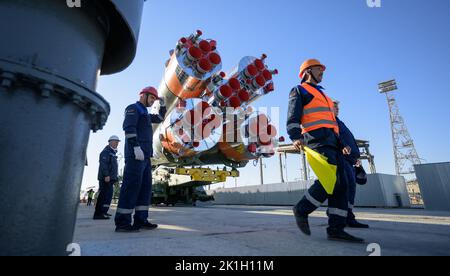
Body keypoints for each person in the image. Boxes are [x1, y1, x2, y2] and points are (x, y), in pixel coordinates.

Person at [287, 58, 364, 243]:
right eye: (318, 69)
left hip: (332, 142)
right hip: (316, 141)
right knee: (331, 180)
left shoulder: (325, 96)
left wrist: (341, 144)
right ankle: (301, 209)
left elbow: (331, 123)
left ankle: (336, 228)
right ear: (307, 71)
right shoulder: (299, 90)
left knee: (342, 183)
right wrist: (295, 136)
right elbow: (293, 116)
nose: (322, 72)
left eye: (322, 69)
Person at [114, 86, 167, 232]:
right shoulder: (133, 108)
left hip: (145, 157)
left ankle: (141, 219)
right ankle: (122, 223)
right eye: (151, 98)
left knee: (145, 189)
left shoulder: (145, 113)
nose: (152, 102)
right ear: (143, 95)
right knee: (131, 188)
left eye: (153, 100)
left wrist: (162, 105)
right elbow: (129, 128)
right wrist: (135, 147)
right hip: (135, 156)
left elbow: (160, 118)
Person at [333, 100, 369, 228]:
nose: (337, 110)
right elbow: (337, 139)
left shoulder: (340, 122)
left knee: (351, 188)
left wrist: (355, 159)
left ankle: (348, 215)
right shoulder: (332, 121)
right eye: (334, 108)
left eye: (338, 108)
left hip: (350, 159)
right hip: (342, 158)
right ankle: (343, 217)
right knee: (346, 187)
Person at [93, 136, 121, 220]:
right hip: (105, 178)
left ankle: (104, 211)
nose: (117, 143)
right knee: (103, 195)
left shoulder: (112, 153)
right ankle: (98, 214)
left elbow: (113, 168)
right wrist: (106, 175)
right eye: (116, 142)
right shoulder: (106, 152)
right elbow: (103, 164)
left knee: (108, 196)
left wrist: (115, 179)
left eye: (118, 142)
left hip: (110, 179)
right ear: (110, 142)